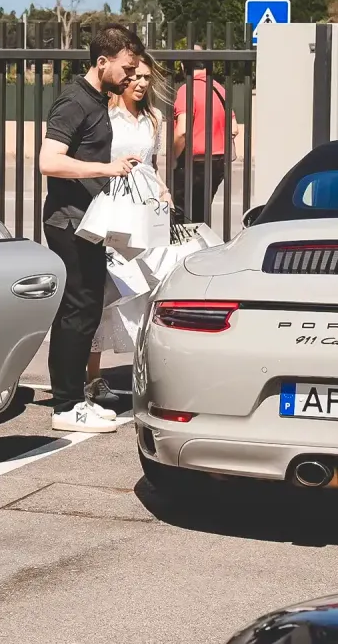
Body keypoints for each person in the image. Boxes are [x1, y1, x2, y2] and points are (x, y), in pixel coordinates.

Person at [38, 24, 143, 433]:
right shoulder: (74, 101)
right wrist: (106, 168)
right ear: (102, 62)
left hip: (89, 221)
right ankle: (65, 406)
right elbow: (49, 161)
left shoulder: (98, 101)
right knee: (77, 311)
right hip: (69, 221)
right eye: (126, 68)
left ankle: (76, 399)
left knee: (86, 310)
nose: (131, 76)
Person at [86, 54, 171, 407]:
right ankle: (92, 377)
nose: (141, 83)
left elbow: (153, 165)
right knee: (109, 289)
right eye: (136, 76)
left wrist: (164, 191)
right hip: (116, 203)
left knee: (151, 288)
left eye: (147, 78)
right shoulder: (105, 115)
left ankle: (145, 374)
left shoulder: (155, 118)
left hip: (148, 205)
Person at [172, 48, 238, 223]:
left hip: (193, 164)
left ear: (182, 66)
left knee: (181, 218)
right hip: (217, 164)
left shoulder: (187, 89)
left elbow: (183, 130)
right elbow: (234, 128)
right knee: (200, 217)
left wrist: (173, 157)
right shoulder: (219, 89)